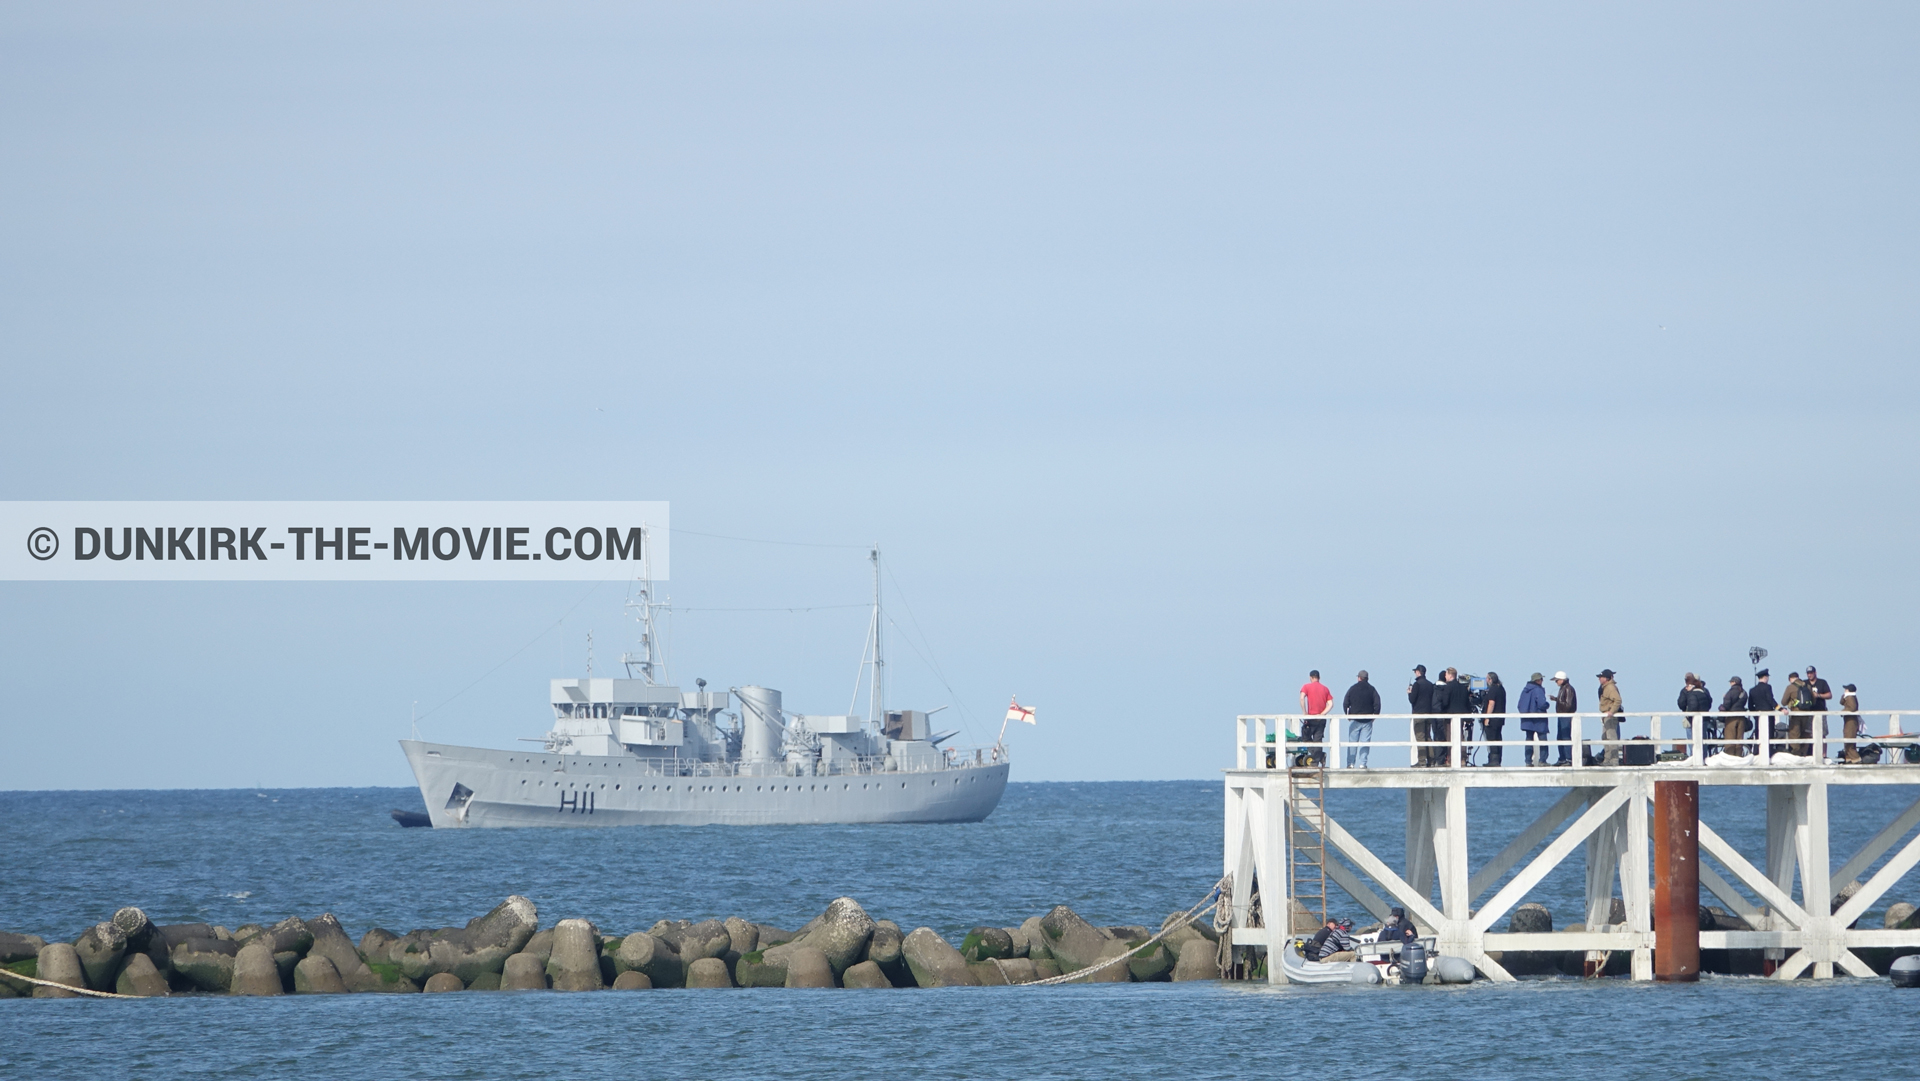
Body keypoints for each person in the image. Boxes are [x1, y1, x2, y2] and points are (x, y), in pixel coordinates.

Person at [1343, 670, 1381, 769]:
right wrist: (1374, 716)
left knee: (1352, 743)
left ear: (1359, 678)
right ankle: (1363, 764)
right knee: (1365, 743)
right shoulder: (1372, 689)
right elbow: (1377, 704)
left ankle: (1350, 764)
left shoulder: (1352, 688)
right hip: (1367, 720)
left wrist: (1347, 715)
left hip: (1355, 719)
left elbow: (1345, 703)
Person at [1298, 670, 1334, 766]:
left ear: (1310, 677)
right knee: (1318, 740)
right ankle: (1317, 759)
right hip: (1321, 719)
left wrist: (1304, 712)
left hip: (1310, 718)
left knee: (1305, 737)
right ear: (1319, 677)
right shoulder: (1325, 689)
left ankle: (1317, 758)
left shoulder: (1306, 687)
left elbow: (1302, 698)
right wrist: (1322, 714)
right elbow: (1330, 704)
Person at [1518, 672, 1551, 766]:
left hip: (1527, 720)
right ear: (1538, 680)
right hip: (1539, 720)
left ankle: (1528, 761)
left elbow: (1519, 705)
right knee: (1543, 740)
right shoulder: (1538, 690)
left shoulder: (1525, 690)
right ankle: (1542, 761)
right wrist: (1547, 705)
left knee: (1529, 740)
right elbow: (1542, 704)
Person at [1677, 674, 1713, 755]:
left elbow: (1682, 703)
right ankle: (1703, 757)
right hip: (1705, 718)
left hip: (1691, 719)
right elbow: (1709, 703)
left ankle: (1694, 757)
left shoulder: (1688, 692)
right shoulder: (1705, 691)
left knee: (1692, 739)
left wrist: (1686, 711)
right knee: (1703, 738)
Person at [1408, 665, 1436, 767]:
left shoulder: (1417, 685)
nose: (1415, 673)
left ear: (1419, 672)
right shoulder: (1430, 685)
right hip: (1429, 713)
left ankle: (1422, 761)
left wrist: (1409, 693)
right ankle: (1432, 760)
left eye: (1415, 671)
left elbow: (1412, 700)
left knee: (1420, 737)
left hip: (1419, 714)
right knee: (1428, 736)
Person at [1480, 672, 1508, 767]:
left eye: (1487, 679)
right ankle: (1497, 760)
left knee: (1492, 738)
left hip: (1493, 720)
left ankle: (1493, 760)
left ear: (1490, 679)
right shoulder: (1501, 689)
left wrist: (1487, 717)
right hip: (1500, 719)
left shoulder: (1493, 689)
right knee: (1498, 738)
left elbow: (1491, 703)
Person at [1597, 669, 1624, 766]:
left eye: (1601, 677)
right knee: (1605, 737)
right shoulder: (1605, 687)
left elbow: (1617, 700)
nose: (1599, 679)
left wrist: (1611, 711)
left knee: (1611, 738)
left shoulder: (1610, 688)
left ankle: (1613, 760)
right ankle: (1607, 760)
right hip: (1605, 716)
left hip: (1609, 717)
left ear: (1606, 678)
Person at [1781, 672, 1811, 756]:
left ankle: (1796, 753)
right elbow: (1813, 700)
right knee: (1805, 733)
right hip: (1807, 714)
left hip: (1795, 713)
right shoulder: (1807, 686)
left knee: (1794, 733)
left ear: (1790, 679)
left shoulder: (1790, 687)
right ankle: (1804, 753)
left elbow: (1783, 702)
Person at [1806, 666, 1833, 758]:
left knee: (1822, 733)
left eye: (1811, 673)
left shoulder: (1822, 682)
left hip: (1821, 711)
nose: (1809, 675)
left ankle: (1823, 754)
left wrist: (1818, 695)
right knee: (1809, 733)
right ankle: (1811, 754)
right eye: (1808, 673)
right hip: (1809, 712)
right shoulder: (1804, 683)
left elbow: (1829, 695)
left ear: (1815, 673)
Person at [1747, 669, 1778, 752]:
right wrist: (1780, 708)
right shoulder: (1768, 687)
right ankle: (1769, 753)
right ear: (1765, 677)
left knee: (1758, 734)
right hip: (1768, 716)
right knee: (1769, 735)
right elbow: (1771, 700)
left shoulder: (1752, 690)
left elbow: (1750, 706)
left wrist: (1755, 715)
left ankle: (1757, 752)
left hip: (1758, 716)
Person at [1719, 676, 1749, 756]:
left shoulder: (1731, 692)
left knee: (1730, 739)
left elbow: (1727, 705)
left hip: (1731, 718)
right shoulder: (1744, 692)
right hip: (1741, 718)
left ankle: (1730, 757)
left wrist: (1721, 707)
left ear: (1734, 682)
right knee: (1739, 739)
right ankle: (1738, 756)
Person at [1552, 672, 1578, 766]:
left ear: (1562, 680)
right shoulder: (1564, 688)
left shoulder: (1568, 689)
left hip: (1565, 716)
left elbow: (1568, 705)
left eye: (1557, 680)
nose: (1556, 683)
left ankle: (1568, 759)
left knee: (1565, 737)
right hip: (1562, 715)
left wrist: (1557, 700)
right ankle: (1562, 758)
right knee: (1560, 737)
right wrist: (1556, 699)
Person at [1841, 683, 1863, 763]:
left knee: (1849, 739)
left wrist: (1843, 711)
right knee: (1847, 738)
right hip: (1848, 721)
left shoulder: (1850, 697)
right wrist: (1843, 697)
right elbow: (1841, 702)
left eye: (1846, 689)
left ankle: (1855, 758)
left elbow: (1852, 708)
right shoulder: (1848, 697)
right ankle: (1849, 758)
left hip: (1851, 722)